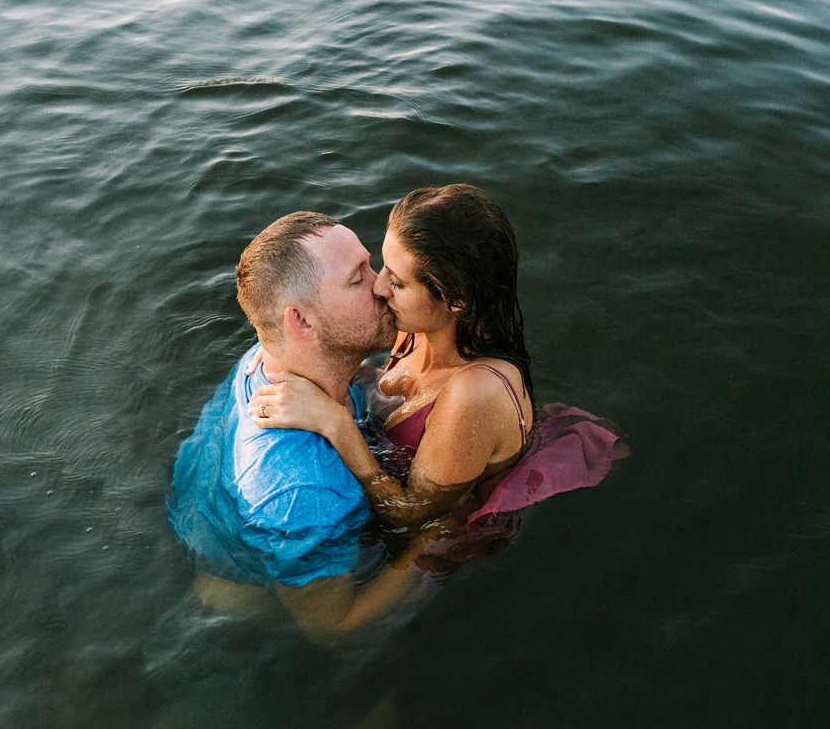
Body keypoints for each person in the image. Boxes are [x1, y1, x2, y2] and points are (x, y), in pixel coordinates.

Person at [251, 184, 625, 543]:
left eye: (397, 283)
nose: (379, 288)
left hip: (450, 531)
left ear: (456, 301)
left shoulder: (472, 394)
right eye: (383, 268)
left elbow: (413, 516)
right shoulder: (413, 328)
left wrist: (338, 427)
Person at [164, 210, 427, 640]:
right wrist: (436, 542)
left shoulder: (267, 357)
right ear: (301, 320)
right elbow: (333, 629)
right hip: (237, 639)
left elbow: (363, 382)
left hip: (224, 553)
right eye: (358, 278)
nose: (382, 284)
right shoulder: (301, 493)